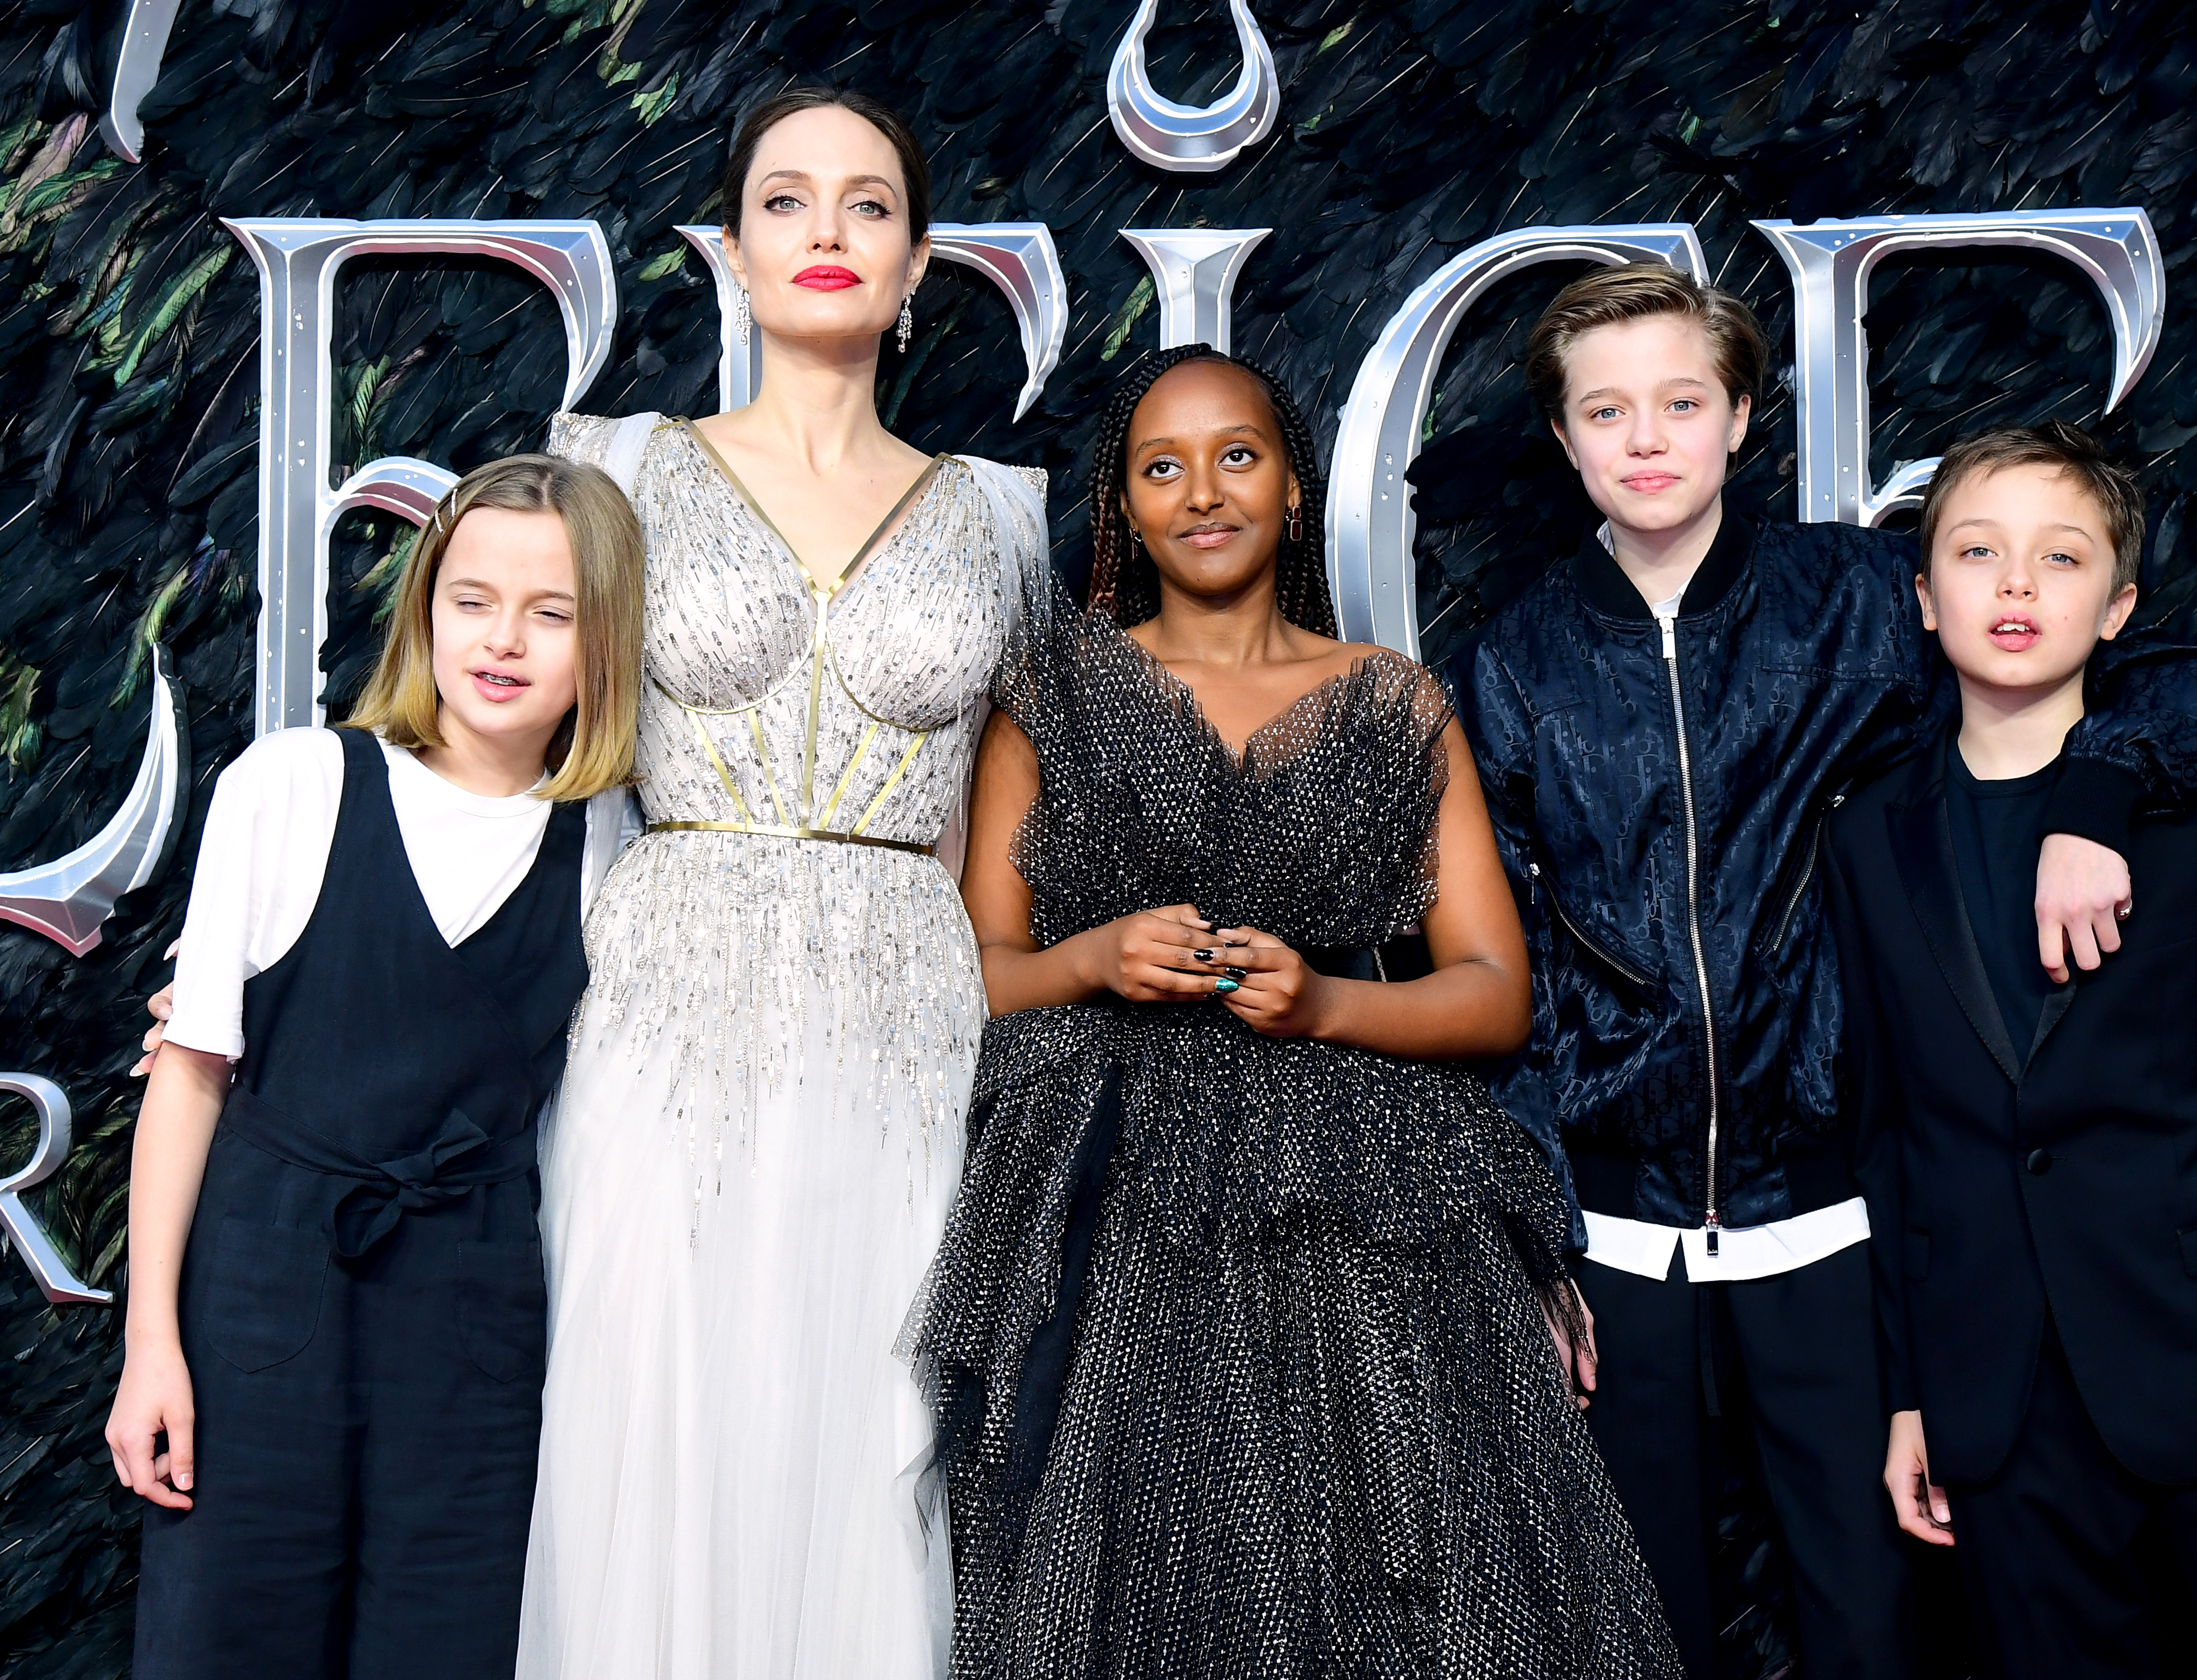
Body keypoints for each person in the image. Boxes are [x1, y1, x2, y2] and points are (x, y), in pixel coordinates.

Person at [1449, 266, 2197, 1680]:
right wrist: (1533, 1229)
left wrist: (2095, 789)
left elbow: (2173, 684)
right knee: (1640, 1636)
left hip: (1829, 1219)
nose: (1647, 437)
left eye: (1682, 402)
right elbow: (1485, 968)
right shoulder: (1508, 666)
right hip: (1619, 1239)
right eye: (1607, 409)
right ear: (1565, 438)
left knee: (1876, 1629)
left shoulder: (1854, 605)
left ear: (1742, 417)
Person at [909, 344, 1679, 1679]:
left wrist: (1323, 999)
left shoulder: (1392, 701)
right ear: (1124, 506)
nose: (1202, 493)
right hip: (1108, 1200)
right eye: (1162, 466)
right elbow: (966, 977)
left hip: (1363, 1193)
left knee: (1404, 1579)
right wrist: (1092, 959)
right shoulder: (1049, 697)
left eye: (1236, 456)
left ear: (1293, 485)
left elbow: (1497, 998)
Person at [515, 86, 1052, 1680]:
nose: (828, 232)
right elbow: (497, 755)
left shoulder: (1003, 514)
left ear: (918, 262)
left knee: (871, 1449)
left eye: (868, 206)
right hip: (664, 1021)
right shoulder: (611, 466)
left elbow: (1027, 837)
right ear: (733, 251)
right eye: (789, 202)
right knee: (651, 1427)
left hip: (907, 1034)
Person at [1823, 423, 2197, 1680]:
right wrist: (1910, 1395)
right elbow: (1888, 1135)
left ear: (2117, 609)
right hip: (1994, 1408)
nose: (2014, 585)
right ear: (1922, 594)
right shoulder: (1865, 840)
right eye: (1977, 551)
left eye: (2059, 559)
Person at [105, 454, 645, 1680]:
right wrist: (151, 1348)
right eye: (472, 599)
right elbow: (187, 1081)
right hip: (265, 1294)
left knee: (443, 1647)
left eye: (551, 612)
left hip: (475, 1325)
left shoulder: (615, 846)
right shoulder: (293, 784)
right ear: (425, 608)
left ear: (604, 642)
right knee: (226, 1643)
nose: (502, 640)